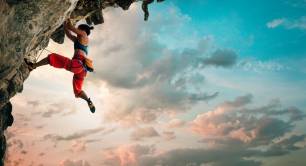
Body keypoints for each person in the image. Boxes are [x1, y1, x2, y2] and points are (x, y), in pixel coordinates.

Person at [25, 19, 96, 113]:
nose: (77, 29)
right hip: (82, 70)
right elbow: (69, 34)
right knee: (78, 90)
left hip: (77, 65)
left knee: (53, 58)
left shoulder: (83, 34)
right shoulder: (81, 40)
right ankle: (88, 100)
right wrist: (64, 25)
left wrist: (68, 19)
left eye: (78, 28)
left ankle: (33, 66)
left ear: (82, 29)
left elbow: (71, 27)